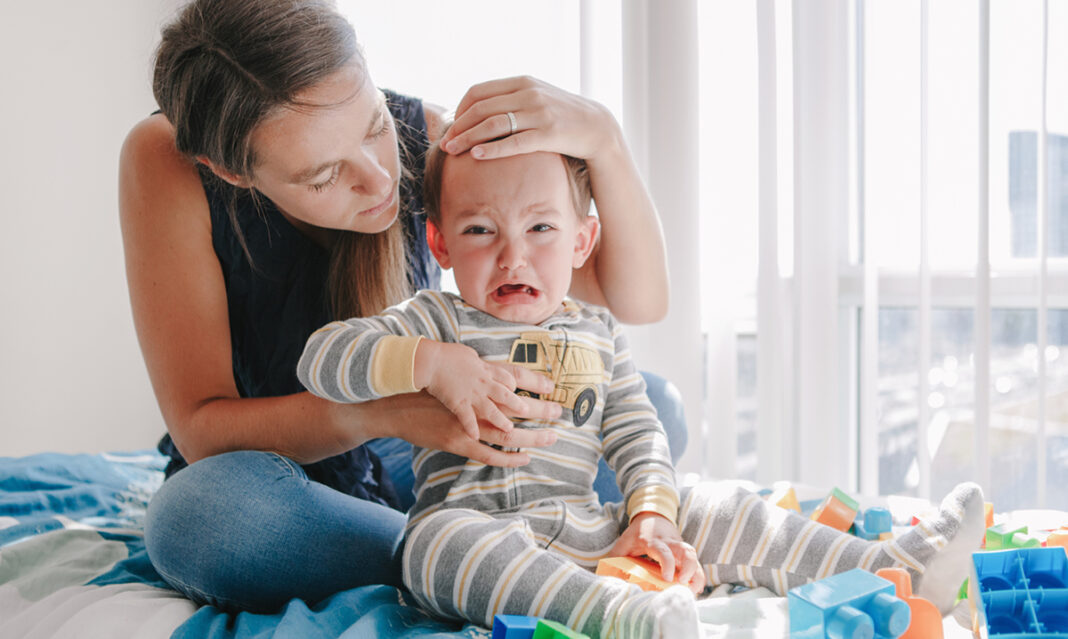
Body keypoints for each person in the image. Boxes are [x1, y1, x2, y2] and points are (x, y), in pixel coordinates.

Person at [121, 0, 681, 614]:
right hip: (284, 472)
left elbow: (639, 300)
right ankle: (456, 552)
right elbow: (202, 427)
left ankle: (475, 554)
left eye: (373, 125)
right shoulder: (165, 157)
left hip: (412, 461)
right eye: (322, 176)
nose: (380, 178)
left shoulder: (436, 139)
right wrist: (382, 412)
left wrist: (604, 138)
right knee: (199, 517)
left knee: (656, 410)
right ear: (228, 171)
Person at [297, 141, 986, 638]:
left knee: (712, 500)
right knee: (429, 545)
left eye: (540, 227)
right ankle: (621, 617)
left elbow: (636, 430)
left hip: (586, 523)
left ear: (581, 239)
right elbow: (320, 360)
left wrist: (651, 514)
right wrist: (429, 363)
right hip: (478, 528)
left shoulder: (597, 331)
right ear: (440, 243)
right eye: (481, 230)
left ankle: (888, 564)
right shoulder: (437, 316)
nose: (513, 254)